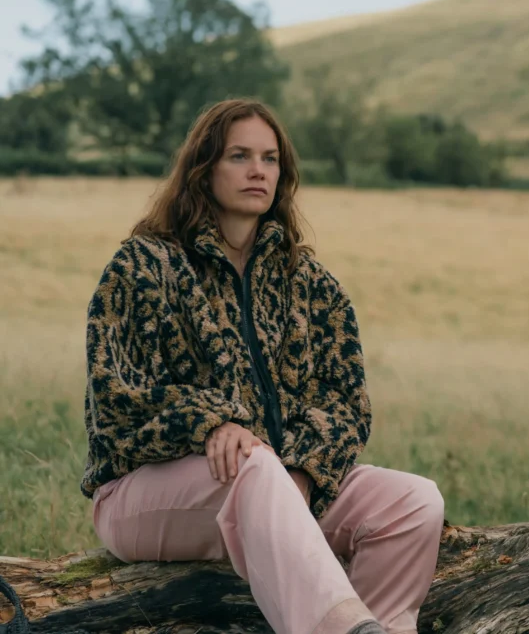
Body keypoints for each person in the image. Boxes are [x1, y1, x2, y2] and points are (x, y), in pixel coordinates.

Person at [81, 99, 445, 634]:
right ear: (203, 171)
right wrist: (213, 422)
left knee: (414, 500)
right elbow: (116, 398)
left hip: (281, 486)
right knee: (255, 467)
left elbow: (347, 403)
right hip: (145, 497)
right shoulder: (143, 267)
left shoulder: (309, 281)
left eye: (270, 158)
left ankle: (383, 626)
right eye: (239, 156)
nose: (258, 170)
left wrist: (301, 467)